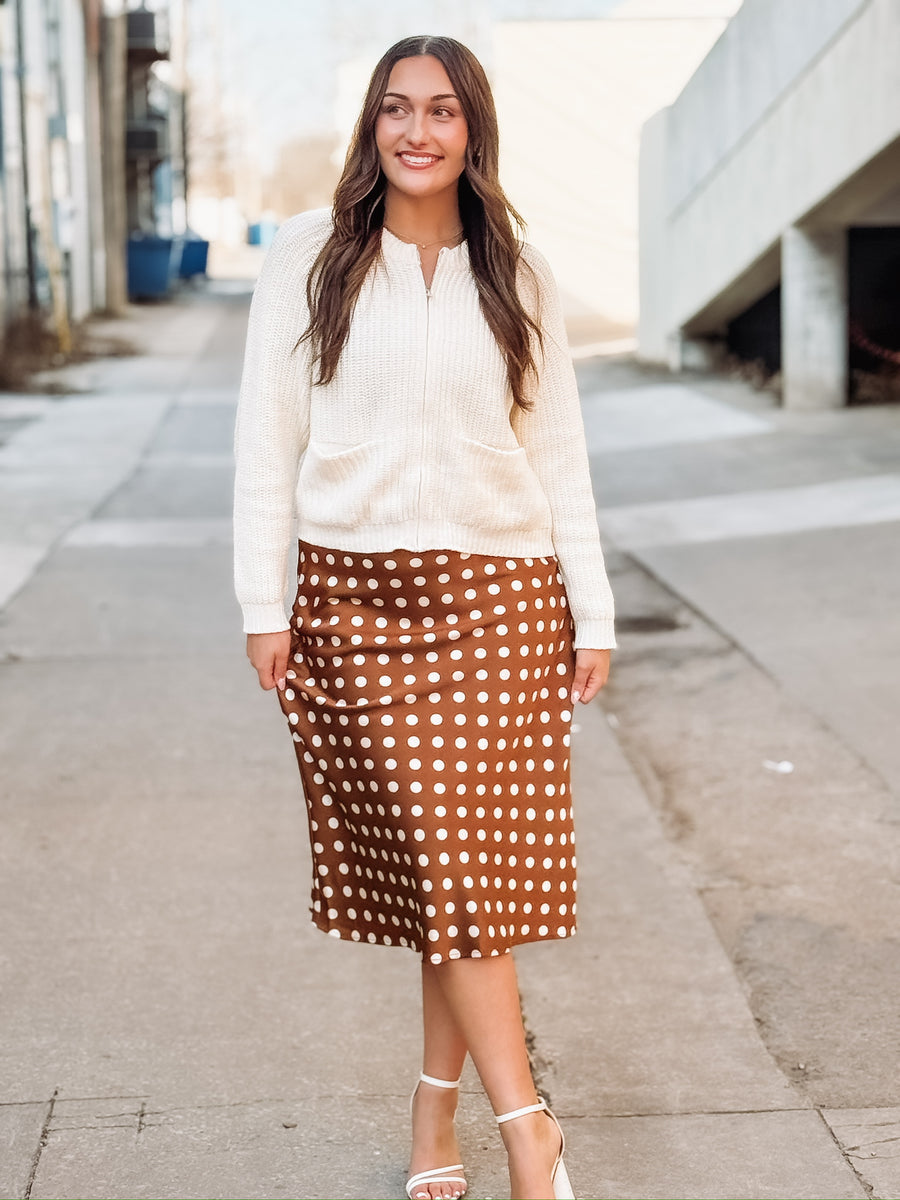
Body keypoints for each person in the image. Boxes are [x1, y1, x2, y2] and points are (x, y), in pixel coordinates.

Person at [233, 34, 615, 1200]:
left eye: (441, 112)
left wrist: (589, 609)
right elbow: (267, 439)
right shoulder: (310, 256)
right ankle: (508, 1124)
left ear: (471, 130)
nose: (416, 132)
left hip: (501, 601)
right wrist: (265, 599)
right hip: (353, 600)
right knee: (438, 869)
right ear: (371, 126)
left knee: (460, 880)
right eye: (396, 110)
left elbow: (558, 453)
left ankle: (463, 1123)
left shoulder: (521, 268)